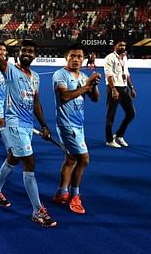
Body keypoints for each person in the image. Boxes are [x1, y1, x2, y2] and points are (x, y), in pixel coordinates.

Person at [0, 12, 57, 228]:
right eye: (24, 50)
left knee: (13, 158)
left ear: (35, 55)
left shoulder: (35, 77)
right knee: (29, 162)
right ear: (19, 53)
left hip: (27, 125)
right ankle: (37, 211)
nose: (27, 53)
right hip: (13, 124)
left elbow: (36, 104)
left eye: (31, 51)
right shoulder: (10, 70)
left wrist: (43, 125)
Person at [51, 43, 100, 215]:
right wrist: (86, 86)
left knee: (71, 159)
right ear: (66, 57)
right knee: (84, 159)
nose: (76, 59)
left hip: (79, 124)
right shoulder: (60, 74)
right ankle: (75, 195)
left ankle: (62, 193)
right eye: (73, 56)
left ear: (83, 59)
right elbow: (64, 97)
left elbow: (95, 99)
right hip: (67, 125)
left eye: (79, 56)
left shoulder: (82, 76)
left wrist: (93, 85)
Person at [104, 40, 136, 148]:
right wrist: (113, 89)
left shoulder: (125, 58)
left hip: (124, 88)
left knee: (131, 113)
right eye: (120, 45)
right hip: (114, 88)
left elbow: (126, 74)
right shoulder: (109, 58)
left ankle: (119, 134)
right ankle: (109, 140)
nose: (123, 47)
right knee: (111, 116)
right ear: (115, 46)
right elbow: (109, 75)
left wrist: (131, 87)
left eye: (124, 45)